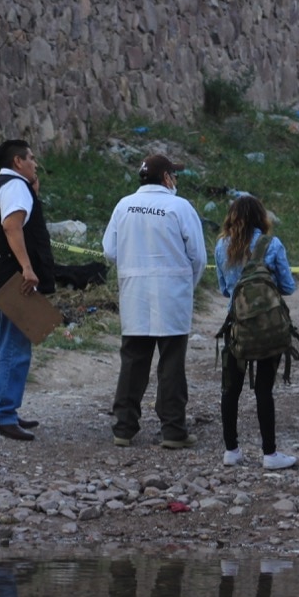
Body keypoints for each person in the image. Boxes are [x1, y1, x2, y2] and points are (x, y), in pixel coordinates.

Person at [102, 153, 206, 448]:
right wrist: (188, 284)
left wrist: (133, 264)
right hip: (172, 294)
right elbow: (197, 256)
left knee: (133, 362)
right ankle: (173, 429)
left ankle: (124, 427)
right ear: (166, 178)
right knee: (171, 364)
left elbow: (110, 250)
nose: (175, 180)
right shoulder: (179, 207)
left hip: (135, 292)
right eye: (174, 175)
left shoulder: (124, 206)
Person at [0, 139, 55, 441]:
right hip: (13, 277)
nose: (35, 164)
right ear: (18, 162)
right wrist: (26, 267)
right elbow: (12, 226)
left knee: (1, 344)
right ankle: (3, 415)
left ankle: (0, 408)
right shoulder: (14, 186)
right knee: (15, 344)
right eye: (31, 158)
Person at [214, 195, 298, 470]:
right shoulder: (271, 244)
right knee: (264, 390)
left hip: (237, 326)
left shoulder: (222, 246)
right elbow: (287, 286)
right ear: (261, 217)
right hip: (267, 328)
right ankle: (270, 454)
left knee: (231, 389)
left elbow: (226, 290)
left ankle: (232, 450)